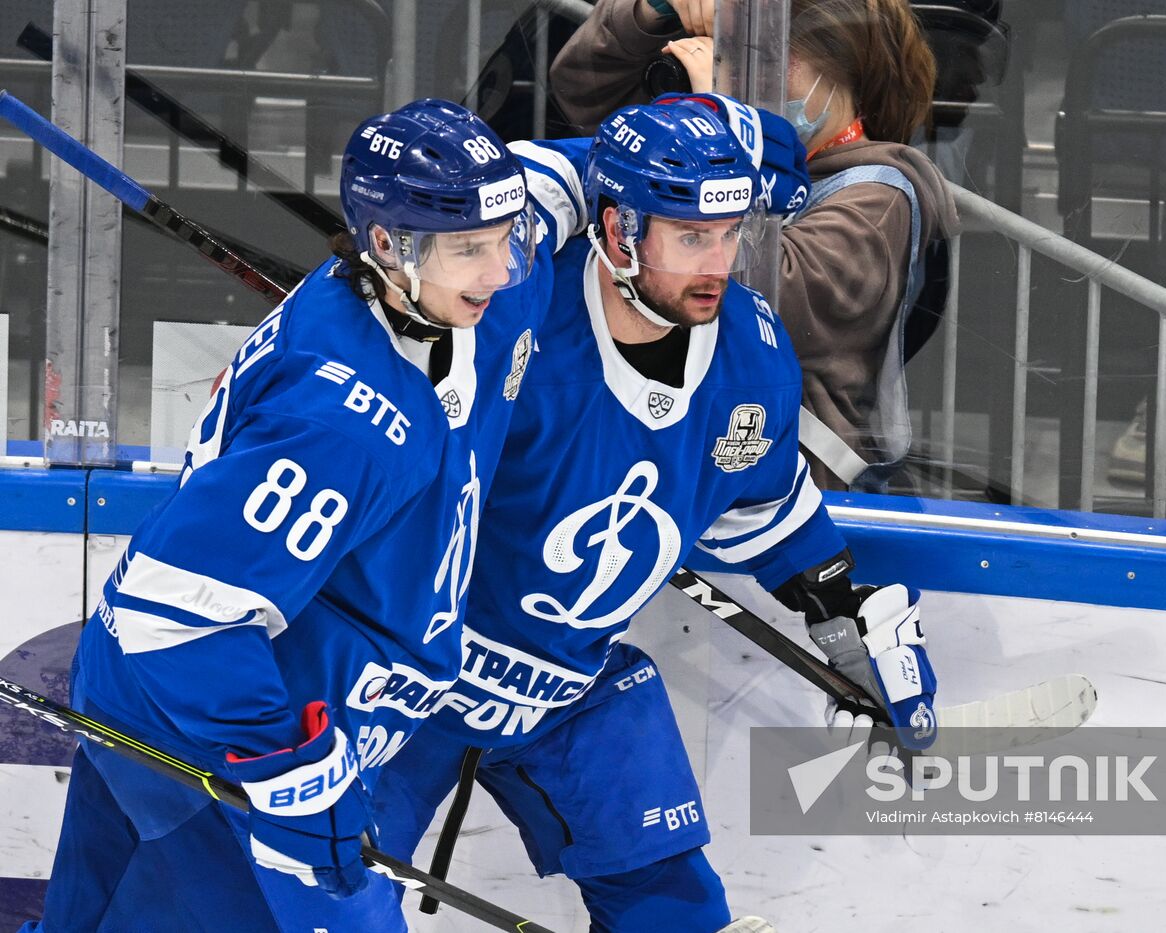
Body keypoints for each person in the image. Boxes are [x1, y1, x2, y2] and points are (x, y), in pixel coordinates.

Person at [371, 96, 939, 932]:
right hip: (403, 669)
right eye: (689, 235)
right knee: (320, 890)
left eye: (729, 232)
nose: (717, 262)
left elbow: (762, 507)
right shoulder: (517, 305)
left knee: (673, 908)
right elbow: (467, 211)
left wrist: (844, 617)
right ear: (616, 230)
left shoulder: (751, 354)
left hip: (564, 686)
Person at [22, 99, 556, 932]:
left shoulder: (438, 302)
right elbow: (176, 619)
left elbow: (562, 182)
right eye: (470, 251)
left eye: (504, 238)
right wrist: (296, 774)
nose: (499, 271)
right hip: (205, 732)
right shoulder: (345, 421)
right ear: (388, 246)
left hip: (203, 700)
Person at [549, 0, 959, 491]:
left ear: (843, 73)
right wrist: (654, 10)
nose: (734, 78)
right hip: (673, 464)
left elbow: (754, 290)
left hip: (781, 485)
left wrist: (724, 134)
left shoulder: (878, 196)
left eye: (761, 66)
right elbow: (582, 87)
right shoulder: (707, 145)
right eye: (725, 58)